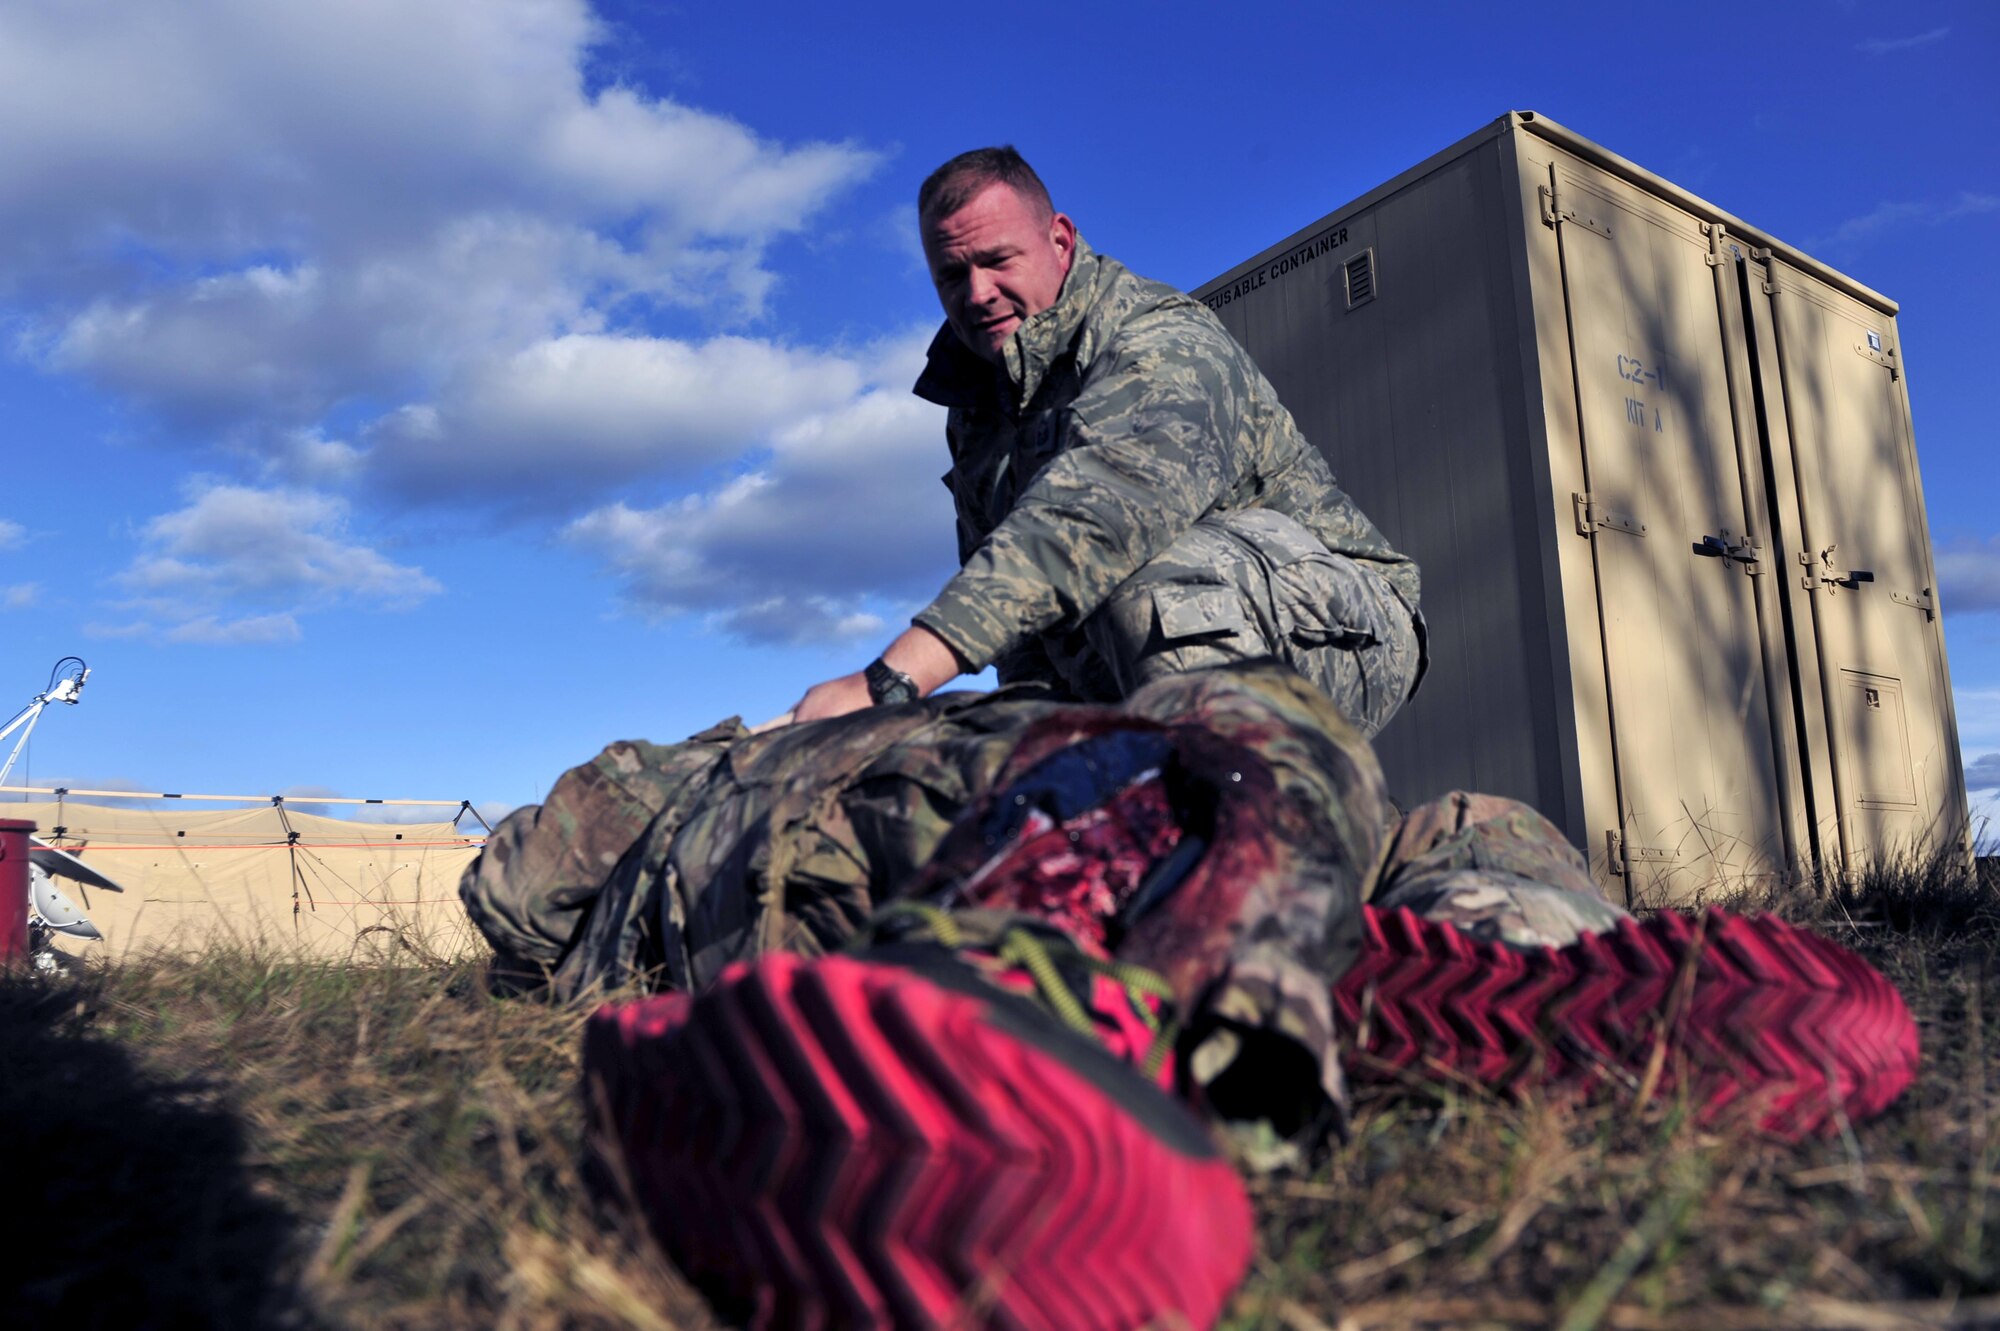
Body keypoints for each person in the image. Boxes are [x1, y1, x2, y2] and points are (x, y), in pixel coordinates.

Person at [787, 147, 1425, 738]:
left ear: (1059, 241)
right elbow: (1024, 636)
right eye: (952, 275)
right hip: (1141, 641)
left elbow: (1090, 518)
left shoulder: (1158, 339)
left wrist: (890, 682)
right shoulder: (978, 410)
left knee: (1152, 585)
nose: (976, 294)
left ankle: (1246, 828)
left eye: (997, 261)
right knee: (1003, 739)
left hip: (1342, 627)